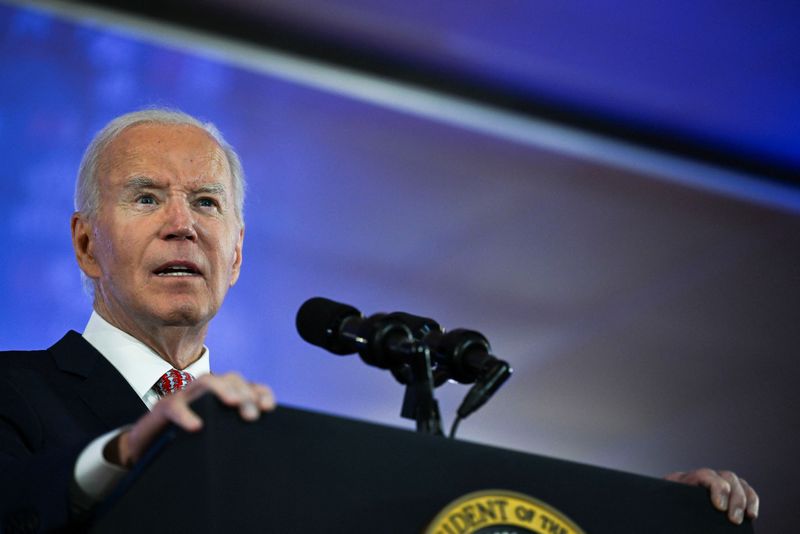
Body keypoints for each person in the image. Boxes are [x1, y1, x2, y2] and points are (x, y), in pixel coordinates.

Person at [0, 109, 758, 532]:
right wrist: (130, 450)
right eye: (145, 197)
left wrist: (650, 521)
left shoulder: (277, 451)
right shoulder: (14, 390)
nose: (182, 224)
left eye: (206, 202)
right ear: (85, 243)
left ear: (235, 254)